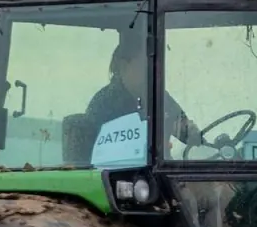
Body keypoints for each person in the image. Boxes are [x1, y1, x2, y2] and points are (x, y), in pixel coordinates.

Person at [81, 31, 201, 161]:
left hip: (162, 168)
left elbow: (182, 128)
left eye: (154, 66)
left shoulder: (159, 96)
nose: (153, 71)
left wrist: (192, 133)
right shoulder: (103, 105)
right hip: (125, 171)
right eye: (145, 65)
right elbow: (97, 158)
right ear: (124, 66)